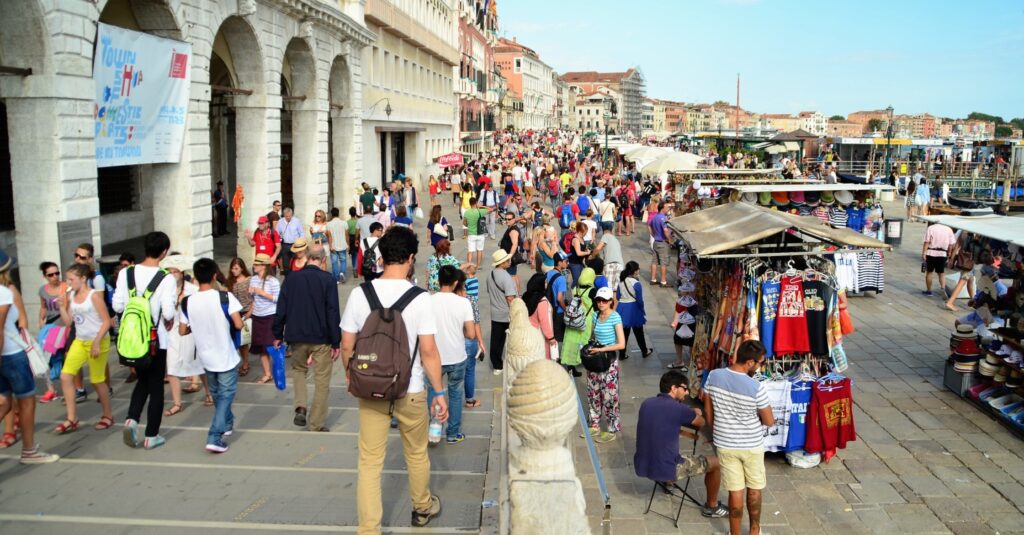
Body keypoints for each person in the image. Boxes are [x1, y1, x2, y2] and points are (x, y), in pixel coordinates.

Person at [339, 225, 448, 532]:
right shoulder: (420, 298)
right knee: (416, 453)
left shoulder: (361, 294)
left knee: (370, 463)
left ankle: (369, 529)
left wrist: (352, 378)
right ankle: (422, 507)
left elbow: (347, 345)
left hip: (370, 387)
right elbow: (428, 352)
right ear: (411, 258)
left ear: (381, 256)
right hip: (410, 389)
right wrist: (439, 392)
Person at [634, 370, 729, 518]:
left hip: (643, 464)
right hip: (667, 468)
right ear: (673, 388)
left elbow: (665, 416)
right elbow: (701, 423)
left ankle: (667, 483)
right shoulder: (679, 409)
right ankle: (712, 506)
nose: (686, 393)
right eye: (685, 389)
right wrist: (696, 412)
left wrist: (688, 411)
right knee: (717, 462)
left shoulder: (647, 403)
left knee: (664, 445)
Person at [114, 232, 177, 450]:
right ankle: (152, 435)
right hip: (155, 340)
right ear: (164, 252)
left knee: (142, 381)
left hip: (131, 339)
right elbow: (168, 313)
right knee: (156, 385)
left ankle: (131, 420)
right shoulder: (166, 278)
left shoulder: (126, 273)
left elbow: (117, 306)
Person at [703, 340, 774, 535]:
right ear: (750, 362)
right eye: (760, 363)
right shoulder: (756, 387)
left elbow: (708, 412)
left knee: (735, 492)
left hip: (725, 444)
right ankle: (754, 532)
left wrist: (716, 430)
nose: (760, 366)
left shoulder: (714, 376)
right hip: (752, 445)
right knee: (754, 489)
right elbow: (769, 421)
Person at [0, 249, 60, 463]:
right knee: (26, 402)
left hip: (6, 354)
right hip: (10, 354)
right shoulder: (4, 292)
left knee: (5, 402)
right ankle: (29, 451)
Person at [273, 245, 341, 432]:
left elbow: (281, 308)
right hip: (321, 336)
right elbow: (332, 311)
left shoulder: (292, 279)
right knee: (321, 380)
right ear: (322, 259)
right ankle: (316, 423)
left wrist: (277, 333)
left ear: (308, 257)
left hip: (296, 335)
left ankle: (301, 405)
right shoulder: (327, 280)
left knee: (299, 371)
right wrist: (336, 341)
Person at [180, 258, 244, 453]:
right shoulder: (224, 297)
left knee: (217, 394)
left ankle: (227, 423)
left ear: (196, 278)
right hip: (225, 355)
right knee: (225, 396)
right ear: (215, 275)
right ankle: (215, 436)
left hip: (205, 357)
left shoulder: (188, 302)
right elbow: (239, 324)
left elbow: (182, 330)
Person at [55, 263, 114, 434]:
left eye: (71, 279)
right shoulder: (71, 296)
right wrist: (61, 307)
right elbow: (69, 322)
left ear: (83, 278)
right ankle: (72, 418)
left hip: (98, 340)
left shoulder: (94, 296)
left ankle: (108, 415)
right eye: (67, 279)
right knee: (66, 376)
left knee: (97, 380)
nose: (68, 282)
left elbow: (106, 321)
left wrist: (96, 342)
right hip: (80, 341)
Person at [427, 265, 474, 443]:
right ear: (455, 283)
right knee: (455, 394)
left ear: (438, 281)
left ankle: (434, 429)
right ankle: (453, 434)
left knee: (433, 391)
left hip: (434, 357)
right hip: (457, 356)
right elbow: (470, 333)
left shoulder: (428, 301)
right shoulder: (464, 303)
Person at [161, 255, 205, 418]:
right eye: (169, 272)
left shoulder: (192, 289)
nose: (172, 275)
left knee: (199, 365)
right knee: (172, 368)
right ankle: (177, 403)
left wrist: (184, 301)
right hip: (172, 333)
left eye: (175, 272)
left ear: (181, 273)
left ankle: (208, 393)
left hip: (190, 333)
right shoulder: (164, 290)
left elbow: (199, 310)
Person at [583, 286, 625, 443]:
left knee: (609, 396)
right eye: (598, 300)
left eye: (604, 300)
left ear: (610, 302)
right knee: (593, 393)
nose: (601, 303)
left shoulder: (616, 318)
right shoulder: (594, 316)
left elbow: (621, 344)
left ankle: (612, 427)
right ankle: (594, 424)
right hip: (595, 360)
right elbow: (592, 336)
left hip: (609, 361)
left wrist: (603, 348)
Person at [36, 261, 66, 404]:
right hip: (49, 326)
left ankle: (69, 389)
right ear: (45, 276)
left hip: (64, 326)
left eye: (57, 273)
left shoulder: (66, 287)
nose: (55, 276)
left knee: (62, 358)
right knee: (45, 358)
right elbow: (43, 307)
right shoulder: (43, 290)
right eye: (51, 274)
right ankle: (50, 389)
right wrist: (41, 320)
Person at [560, 267, 596, 377]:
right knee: (585, 343)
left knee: (571, 342)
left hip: (574, 317)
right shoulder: (592, 291)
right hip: (586, 320)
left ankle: (571, 367)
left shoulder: (575, 288)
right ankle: (588, 364)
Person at [486, 249, 518, 375]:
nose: (509, 261)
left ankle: (496, 365)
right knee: (510, 339)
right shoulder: (506, 277)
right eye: (507, 260)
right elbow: (510, 298)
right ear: (502, 262)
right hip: (506, 314)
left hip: (495, 312)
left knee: (496, 340)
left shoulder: (490, 275)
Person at [459, 263, 485, 409]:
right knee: (469, 371)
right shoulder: (471, 300)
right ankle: (469, 400)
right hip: (469, 340)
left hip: (452, 340)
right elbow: (476, 323)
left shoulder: (450, 299)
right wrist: (480, 342)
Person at [617, 261, 653, 360]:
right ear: (634, 271)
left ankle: (622, 354)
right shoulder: (636, 283)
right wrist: (642, 310)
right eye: (638, 268)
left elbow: (618, 296)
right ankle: (644, 351)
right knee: (639, 333)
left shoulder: (621, 282)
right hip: (633, 308)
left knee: (624, 333)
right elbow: (640, 300)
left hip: (622, 308)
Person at [225, 258, 252, 377]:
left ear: (242, 268)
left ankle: (245, 363)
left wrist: (249, 313)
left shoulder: (249, 280)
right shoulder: (230, 281)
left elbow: (254, 299)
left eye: (236, 268)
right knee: (238, 340)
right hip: (234, 313)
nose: (234, 271)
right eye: (232, 268)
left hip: (246, 312)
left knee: (244, 341)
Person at [523, 273, 557, 359]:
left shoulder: (526, 296)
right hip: (540, 336)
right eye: (545, 282)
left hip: (528, 334)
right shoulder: (542, 301)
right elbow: (544, 321)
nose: (546, 284)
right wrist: (551, 338)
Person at [922, 222, 955, 297]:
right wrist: (949, 252)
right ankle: (943, 288)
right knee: (941, 273)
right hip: (942, 253)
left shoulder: (931, 228)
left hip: (931, 252)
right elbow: (951, 244)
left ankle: (929, 291)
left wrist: (924, 253)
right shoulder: (948, 229)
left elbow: (927, 242)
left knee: (929, 272)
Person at [499, 213, 526, 293]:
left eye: (509, 219)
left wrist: (509, 257)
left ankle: (516, 295)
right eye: (506, 219)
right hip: (510, 256)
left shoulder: (513, 230)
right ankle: (519, 294)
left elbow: (515, 244)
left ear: (513, 220)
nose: (507, 221)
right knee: (514, 275)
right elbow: (515, 219)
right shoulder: (512, 226)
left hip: (509, 257)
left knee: (512, 277)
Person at [276, 207, 304, 276]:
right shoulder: (280, 222)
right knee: (286, 264)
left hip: (295, 245)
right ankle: (287, 278)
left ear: (292, 215)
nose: (288, 218)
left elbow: (302, 233)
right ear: (284, 215)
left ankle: (295, 276)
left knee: (295, 261)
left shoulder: (297, 221)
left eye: (289, 216)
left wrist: (301, 243)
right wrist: (278, 240)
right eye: (286, 216)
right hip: (285, 245)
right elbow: (277, 233)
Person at [463, 197, 488, 267]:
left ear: (470, 203)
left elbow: (464, 223)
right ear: (476, 203)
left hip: (471, 234)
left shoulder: (467, 212)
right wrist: (481, 206)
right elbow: (490, 209)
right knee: (479, 250)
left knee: (470, 251)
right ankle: (478, 265)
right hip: (480, 234)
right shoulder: (480, 211)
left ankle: (469, 265)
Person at [326, 207, 348, 284]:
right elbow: (346, 235)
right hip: (343, 245)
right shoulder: (344, 223)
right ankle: (342, 273)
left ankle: (336, 279)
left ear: (332, 214)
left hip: (334, 246)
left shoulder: (328, 224)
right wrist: (347, 244)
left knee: (334, 262)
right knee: (343, 260)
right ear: (338, 213)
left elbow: (329, 236)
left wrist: (330, 246)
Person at [567, 222, 589, 287]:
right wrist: (587, 253)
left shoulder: (581, 238)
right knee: (576, 280)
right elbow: (578, 253)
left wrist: (586, 250)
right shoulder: (576, 239)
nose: (586, 233)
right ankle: (572, 293)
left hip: (580, 263)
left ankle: (578, 294)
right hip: (574, 263)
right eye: (585, 232)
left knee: (582, 279)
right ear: (580, 231)